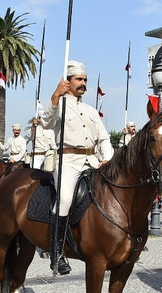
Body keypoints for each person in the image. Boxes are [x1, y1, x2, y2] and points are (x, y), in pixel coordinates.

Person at [41, 60, 114, 275]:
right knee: (64, 199)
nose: (83, 83)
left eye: (85, 80)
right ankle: (57, 253)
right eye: (78, 79)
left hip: (92, 162)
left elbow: (104, 138)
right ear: (68, 81)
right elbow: (46, 122)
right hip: (68, 161)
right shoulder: (59, 105)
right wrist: (55, 96)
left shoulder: (91, 111)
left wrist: (107, 158)